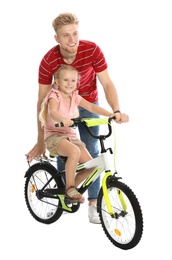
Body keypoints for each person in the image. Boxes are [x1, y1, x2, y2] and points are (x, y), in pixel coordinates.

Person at [26, 12, 129, 224]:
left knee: (91, 155)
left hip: (85, 102)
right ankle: (64, 197)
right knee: (65, 155)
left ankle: (93, 205)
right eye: (65, 35)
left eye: (75, 33)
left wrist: (115, 111)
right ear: (56, 38)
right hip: (60, 114)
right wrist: (40, 139)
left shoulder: (92, 50)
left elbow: (107, 83)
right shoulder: (48, 61)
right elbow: (43, 103)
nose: (72, 40)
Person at [39, 64, 120, 204]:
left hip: (70, 136)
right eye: (65, 80)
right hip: (54, 136)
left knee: (93, 165)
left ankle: (70, 189)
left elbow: (91, 106)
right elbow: (53, 112)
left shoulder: (74, 96)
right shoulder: (54, 95)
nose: (70, 84)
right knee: (74, 152)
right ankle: (70, 188)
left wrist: (111, 115)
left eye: (73, 81)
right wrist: (62, 119)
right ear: (57, 81)